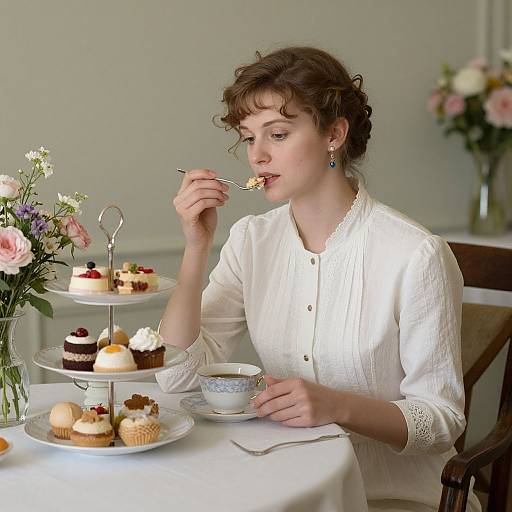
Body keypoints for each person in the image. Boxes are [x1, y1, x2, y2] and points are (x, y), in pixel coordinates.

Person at [157, 47, 481, 512]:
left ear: (334, 134)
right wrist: (196, 247)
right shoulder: (251, 239)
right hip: (284, 484)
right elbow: (177, 377)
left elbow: (441, 420)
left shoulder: (415, 254)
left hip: (393, 497)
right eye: (249, 138)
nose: (258, 156)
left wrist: (336, 406)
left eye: (279, 134)